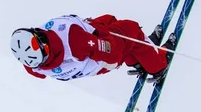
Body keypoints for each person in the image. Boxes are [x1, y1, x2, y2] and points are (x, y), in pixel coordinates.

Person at [10, 14, 177, 84]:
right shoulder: (75, 41)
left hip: (88, 49)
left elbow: (37, 72)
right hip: (103, 58)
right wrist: (100, 37)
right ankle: (158, 66)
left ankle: (139, 57)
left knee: (109, 19)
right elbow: (112, 55)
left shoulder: (33, 63)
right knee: (131, 30)